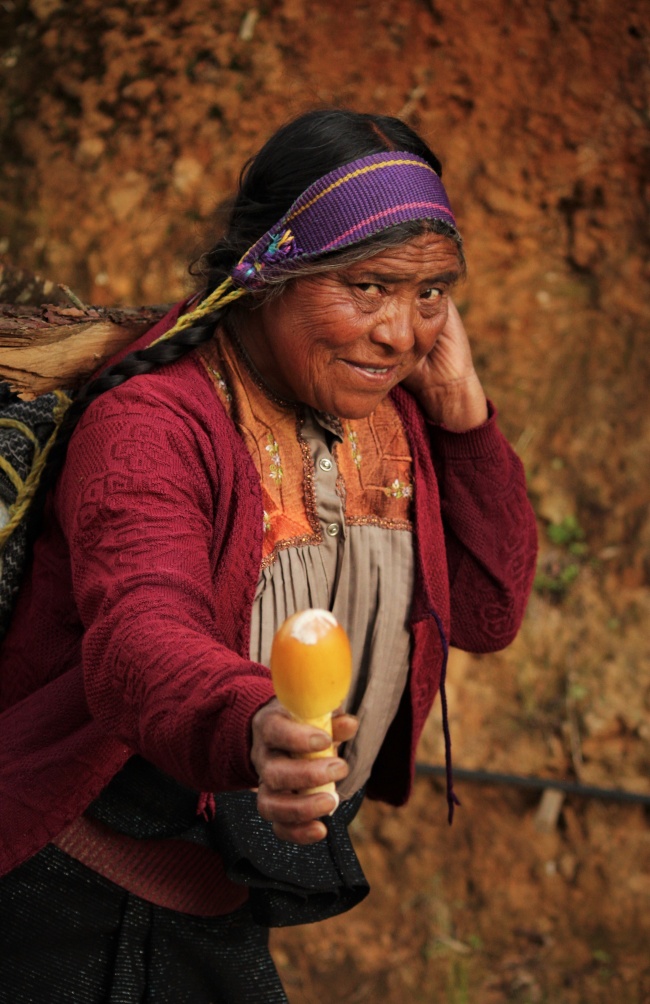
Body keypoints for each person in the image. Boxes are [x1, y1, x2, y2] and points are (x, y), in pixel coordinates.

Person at [0, 109, 537, 1002]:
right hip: (67, 912)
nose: (401, 333)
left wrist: (464, 413)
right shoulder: (154, 427)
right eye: (368, 286)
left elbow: (486, 611)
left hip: (214, 917)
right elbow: (140, 631)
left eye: (431, 293)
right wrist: (254, 725)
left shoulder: (390, 420)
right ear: (268, 273)